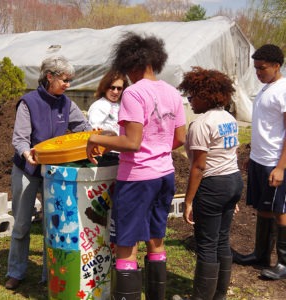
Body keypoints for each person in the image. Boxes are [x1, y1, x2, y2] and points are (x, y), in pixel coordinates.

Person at [86, 32, 186, 300]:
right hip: (164, 174)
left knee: (126, 245)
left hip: (137, 178)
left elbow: (132, 142)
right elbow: (180, 138)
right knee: (156, 239)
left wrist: (97, 138)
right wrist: (158, 150)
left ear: (130, 64)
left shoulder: (134, 93)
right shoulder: (172, 92)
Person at [6, 55, 92, 290]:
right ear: (49, 77)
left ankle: (49, 274)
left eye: (70, 80)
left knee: (52, 226)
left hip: (54, 173)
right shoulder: (28, 103)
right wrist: (27, 154)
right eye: (64, 80)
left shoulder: (66, 103)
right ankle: (16, 271)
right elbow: (20, 139)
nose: (68, 85)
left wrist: (97, 137)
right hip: (27, 169)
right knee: (22, 223)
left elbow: (82, 128)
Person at [177, 67, 243, 299]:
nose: (190, 101)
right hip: (233, 181)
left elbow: (198, 166)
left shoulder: (201, 124)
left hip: (213, 185)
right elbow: (230, 154)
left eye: (192, 96)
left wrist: (188, 201)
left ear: (206, 95)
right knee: (222, 239)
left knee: (206, 244)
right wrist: (231, 195)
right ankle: (219, 295)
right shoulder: (229, 118)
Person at [232, 44, 286, 280]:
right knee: (263, 209)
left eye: (262, 68)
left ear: (277, 65)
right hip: (259, 159)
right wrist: (252, 154)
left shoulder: (283, 89)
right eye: (255, 68)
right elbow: (265, 125)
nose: (258, 73)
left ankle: (283, 263)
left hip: (275, 160)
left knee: (280, 212)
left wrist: (281, 166)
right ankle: (260, 254)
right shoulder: (266, 88)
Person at [87, 69, 129, 135]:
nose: (115, 92)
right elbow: (94, 130)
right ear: (105, 87)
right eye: (112, 88)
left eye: (119, 88)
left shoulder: (119, 105)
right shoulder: (100, 105)